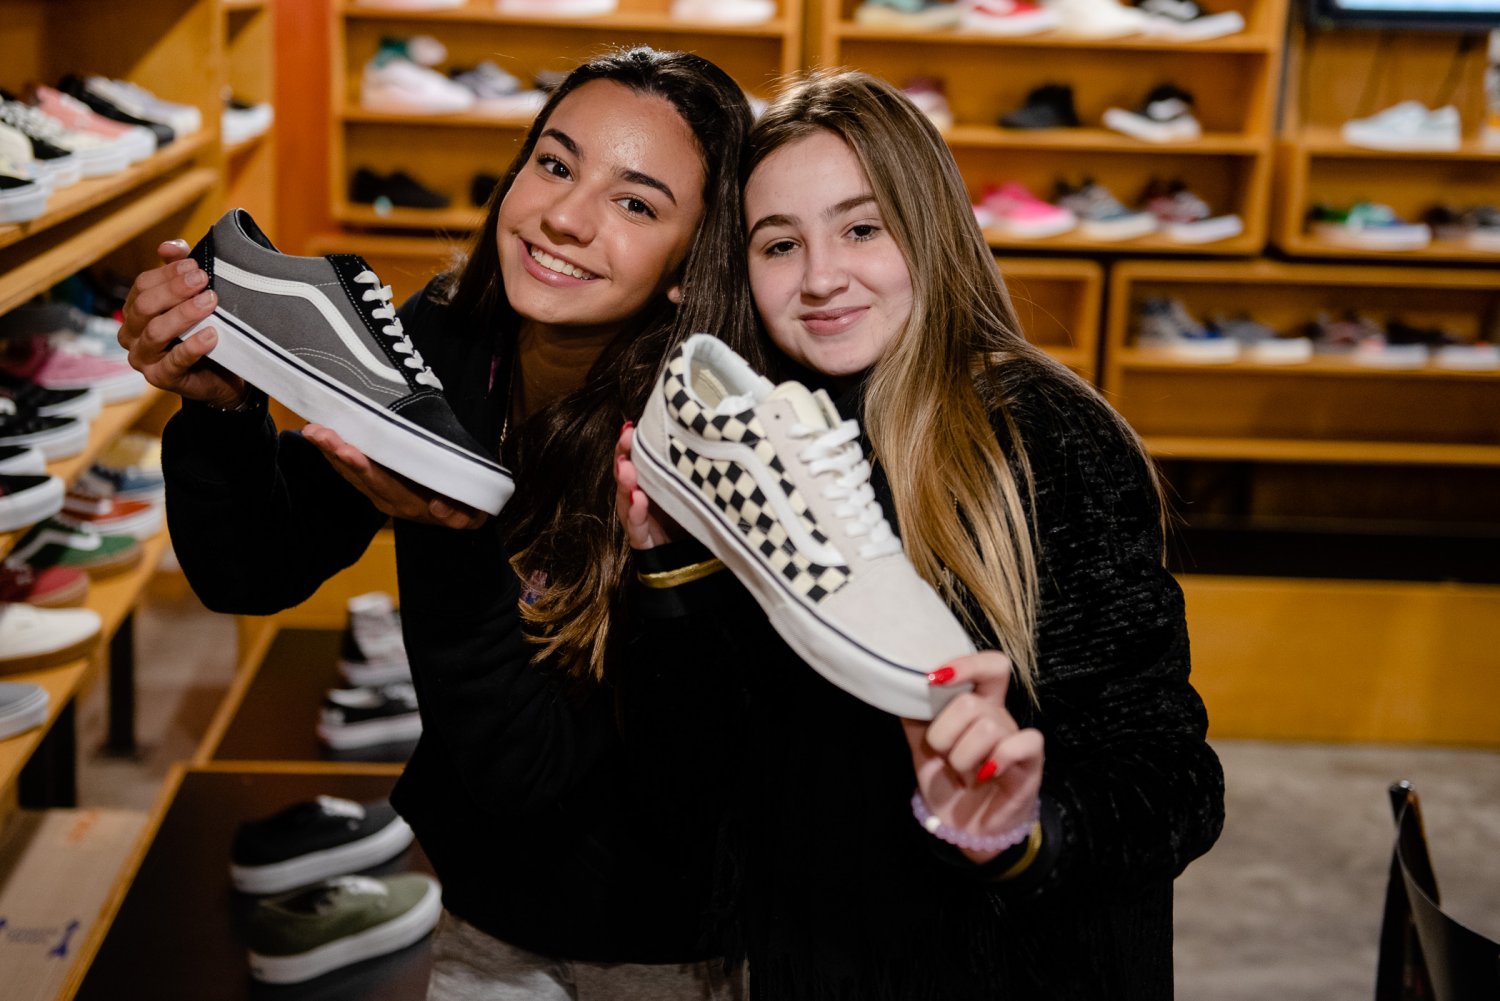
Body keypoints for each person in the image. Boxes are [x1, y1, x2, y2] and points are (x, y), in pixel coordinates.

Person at [119, 47, 762, 999]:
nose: (565, 216)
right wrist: (221, 410)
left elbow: (535, 772)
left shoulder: (701, 444)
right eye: (555, 163)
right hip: (485, 903)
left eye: (635, 203)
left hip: (663, 937)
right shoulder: (450, 339)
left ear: (688, 265)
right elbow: (250, 570)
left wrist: (451, 535)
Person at [615, 69, 1225, 999]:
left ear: (930, 231)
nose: (822, 277)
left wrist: (1021, 829)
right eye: (780, 244)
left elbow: (1175, 776)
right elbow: (693, 790)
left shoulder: (1046, 437)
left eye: (862, 229)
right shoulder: (751, 448)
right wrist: (667, 571)